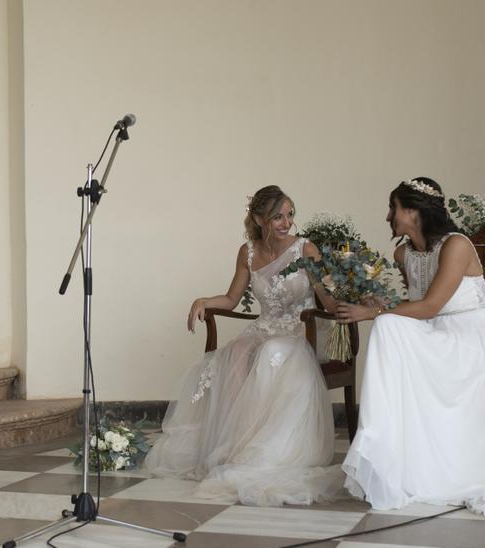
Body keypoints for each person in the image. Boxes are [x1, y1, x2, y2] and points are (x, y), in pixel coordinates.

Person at [334, 177, 485, 518]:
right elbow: (416, 304)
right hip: (434, 337)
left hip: (471, 342)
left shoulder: (456, 245)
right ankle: (387, 451)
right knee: (388, 325)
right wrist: (381, 305)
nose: (388, 216)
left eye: (393, 208)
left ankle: (397, 449)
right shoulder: (403, 253)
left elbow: (431, 306)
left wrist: (374, 314)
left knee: (385, 323)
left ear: (413, 212)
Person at [143, 185, 342, 506]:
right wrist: (203, 301)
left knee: (271, 353)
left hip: (301, 331)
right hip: (265, 326)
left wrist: (350, 294)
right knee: (234, 353)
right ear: (259, 219)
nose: (287, 223)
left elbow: (328, 300)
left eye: (290, 215)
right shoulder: (247, 252)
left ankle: (258, 447)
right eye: (278, 217)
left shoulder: (305, 248)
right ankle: (231, 444)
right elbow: (231, 298)